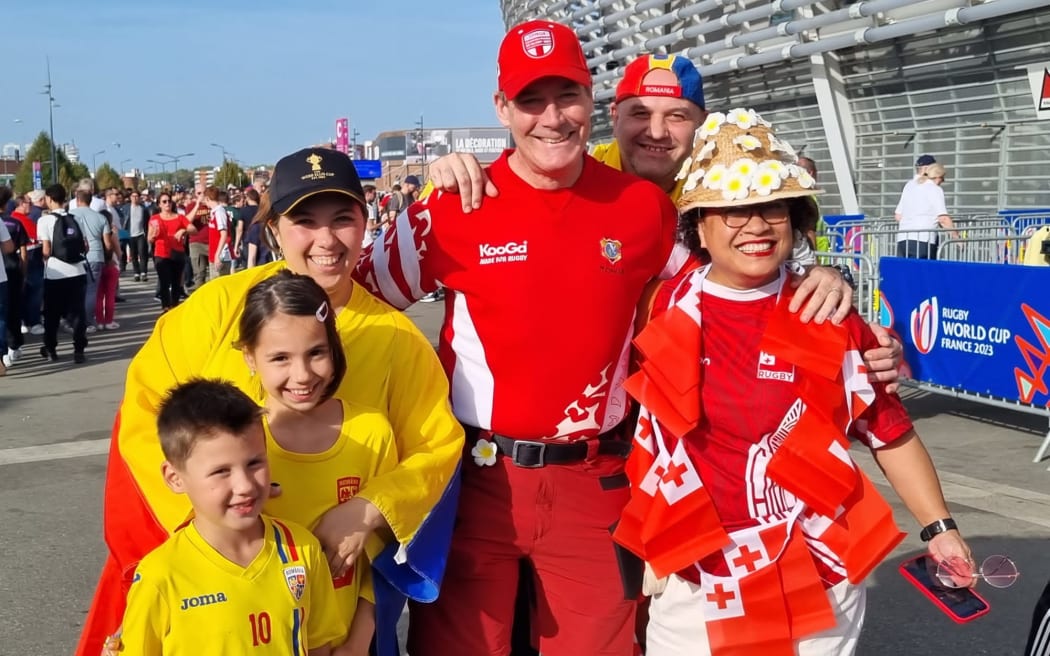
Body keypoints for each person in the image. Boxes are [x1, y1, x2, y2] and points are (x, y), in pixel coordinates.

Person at [355, 21, 862, 656]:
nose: (552, 118)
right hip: (478, 479)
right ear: (501, 108)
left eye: (566, 96)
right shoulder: (452, 207)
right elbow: (350, 298)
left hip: (594, 478)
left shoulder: (641, 209)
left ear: (590, 99)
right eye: (530, 101)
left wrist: (816, 280)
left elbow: (723, 293)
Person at [76, 147, 464, 656]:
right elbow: (146, 425)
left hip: (334, 607)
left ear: (365, 222)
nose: (326, 240)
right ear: (274, 229)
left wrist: (369, 509)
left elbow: (435, 449)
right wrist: (205, 535)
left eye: (342, 219)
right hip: (216, 606)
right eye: (304, 221)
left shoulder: (396, 339)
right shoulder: (213, 311)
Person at [615, 110, 971, 656]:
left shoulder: (829, 312)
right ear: (700, 227)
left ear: (794, 218)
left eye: (772, 207)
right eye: (732, 211)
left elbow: (887, 431)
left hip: (816, 566)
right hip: (695, 569)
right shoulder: (659, 306)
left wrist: (939, 529)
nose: (755, 226)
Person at [116, 379, 347, 655]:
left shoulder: (302, 548)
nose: (245, 485)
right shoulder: (161, 576)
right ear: (174, 478)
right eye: (221, 472)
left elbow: (319, 644)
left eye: (254, 463)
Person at [239, 270, 398, 655]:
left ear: (334, 347)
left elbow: (388, 556)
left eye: (316, 353)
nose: (302, 375)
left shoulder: (371, 432)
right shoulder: (236, 443)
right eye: (280, 358)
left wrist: (357, 643)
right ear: (249, 358)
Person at [37, 184, 90, 363]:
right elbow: (85, 246)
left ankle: (51, 349)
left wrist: (44, 260)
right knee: (78, 313)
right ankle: (79, 349)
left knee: (52, 314)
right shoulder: (76, 218)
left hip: (55, 274)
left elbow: (46, 249)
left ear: (50, 199)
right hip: (78, 271)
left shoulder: (44, 221)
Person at [895, 162, 958, 259]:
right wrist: (957, 238)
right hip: (923, 239)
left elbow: (898, 215)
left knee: (906, 272)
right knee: (923, 272)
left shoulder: (910, 185)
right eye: (943, 178)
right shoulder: (935, 189)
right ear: (938, 177)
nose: (943, 181)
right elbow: (943, 219)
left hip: (903, 238)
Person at [148, 191, 196, 311]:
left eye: (169, 201)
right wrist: (153, 236)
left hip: (177, 253)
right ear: (159, 204)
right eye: (164, 201)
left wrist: (183, 231)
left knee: (176, 283)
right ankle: (165, 308)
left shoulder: (179, 217)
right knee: (164, 282)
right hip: (161, 253)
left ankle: (174, 307)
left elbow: (193, 229)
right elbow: (149, 238)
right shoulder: (155, 219)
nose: (167, 203)